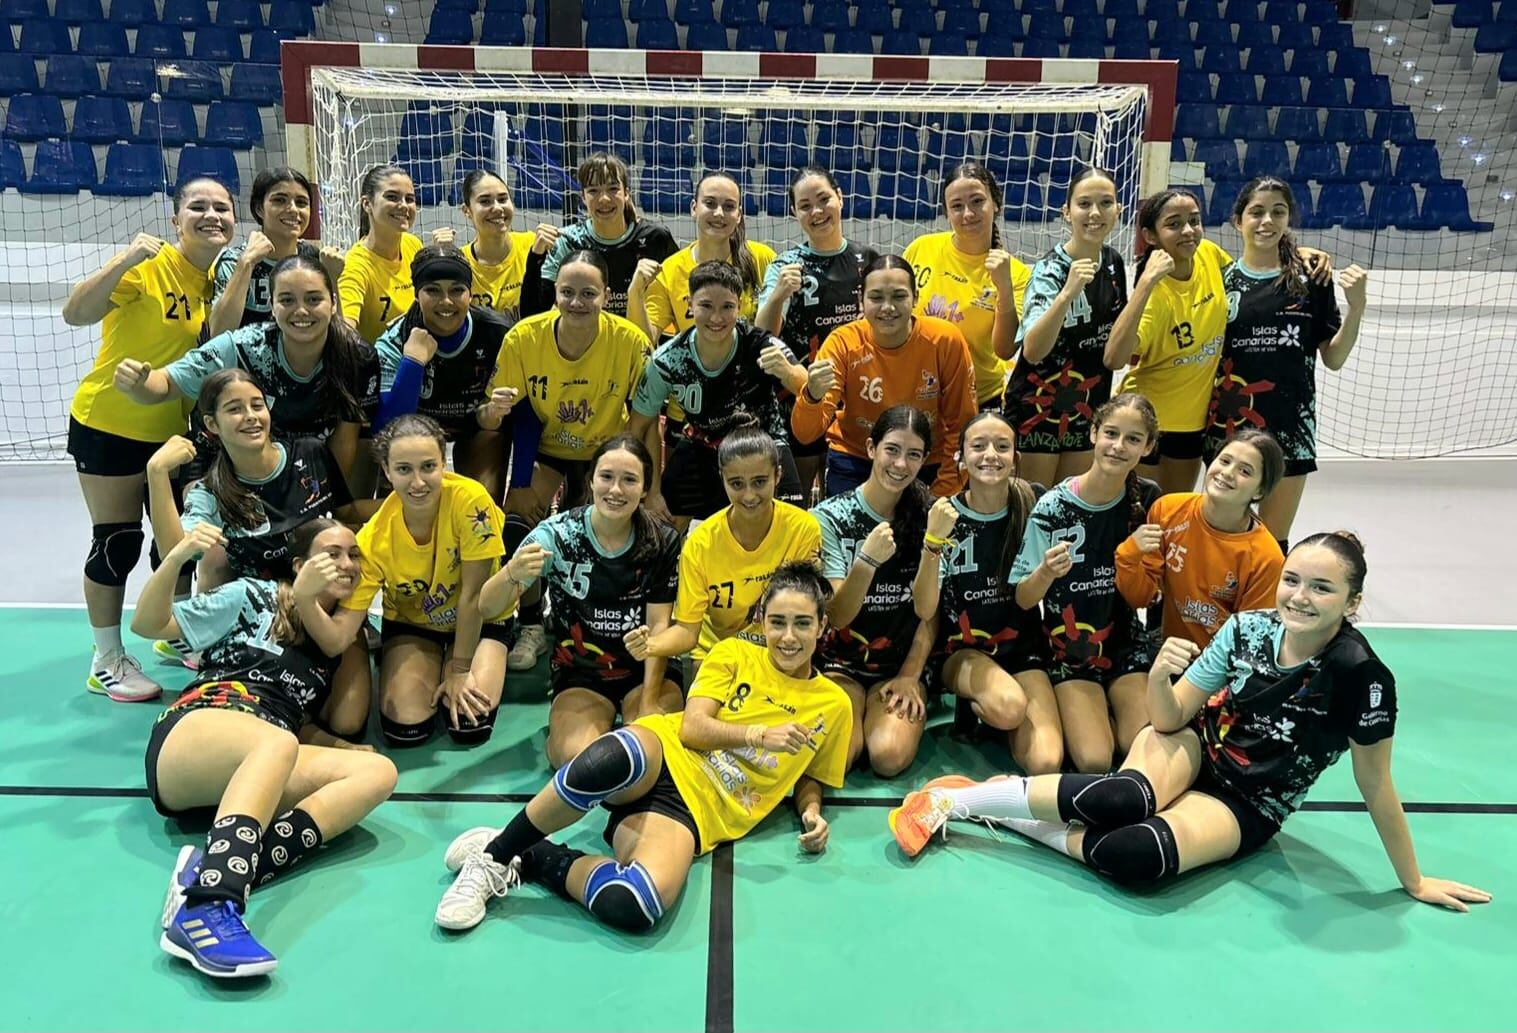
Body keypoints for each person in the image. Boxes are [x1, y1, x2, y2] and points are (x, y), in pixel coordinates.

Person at [889, 534, 1494, 918]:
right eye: (1292, 579)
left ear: (1352, 603)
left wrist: (1412, 881)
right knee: (1121, 796)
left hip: (1251, 800)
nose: (1300, 597)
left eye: (1322, 587)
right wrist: (1158, 675)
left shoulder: (1361, 676)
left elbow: (1376, 784)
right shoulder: (1247, 630)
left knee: (1133, 854)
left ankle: (1002, 811)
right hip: (1191, 743)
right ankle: (953, 802)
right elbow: (1169, 716)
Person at [432, 562, 852, 934]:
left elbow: (810, 773)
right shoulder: (734, 653)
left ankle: (534, 857)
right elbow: (692, 728)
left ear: (822, 624)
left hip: (697, 811)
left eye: (802, 623)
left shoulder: (834, 704)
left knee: (634, 903)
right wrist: (758, 735)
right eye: (777, 622)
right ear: (761, 621)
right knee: (611, 757)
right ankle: (494, 856)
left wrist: (810, 810)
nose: (788, 636)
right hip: (667, 753)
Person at [135, 518, 396, 979]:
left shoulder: (335, 639)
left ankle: (209, 875)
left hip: (263, 751)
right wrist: (177, 557)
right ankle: (211, 905)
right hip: (194, 731)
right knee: (276, 741)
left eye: (353, 554)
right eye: (331, 552)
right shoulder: (252, 595)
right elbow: (147, 623)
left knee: (378, 773)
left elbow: (298, 720)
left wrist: (342, 750)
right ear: (299, 565)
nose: (346, 562)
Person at [62, 175, 234, 702]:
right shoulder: (150, 266)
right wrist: (127, 256)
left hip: (172, 431)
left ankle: (171, 631)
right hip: (110, 424)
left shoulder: (215, 280)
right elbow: (75, 313)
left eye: (222, 207)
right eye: (198, 207)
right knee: (118, 543)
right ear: (175, 220)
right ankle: (107, 659)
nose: (211, 216)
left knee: (179, 541)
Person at [482, 249, 652, 673]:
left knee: (601, 533)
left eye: (588, 293)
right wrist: (493, 410)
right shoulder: (524, 338)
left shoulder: (630, 341)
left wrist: (648, 486)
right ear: (554, 293)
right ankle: (532, 623)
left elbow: (648, 422)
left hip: (605, 453)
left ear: (606, 295)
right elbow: (490, 416)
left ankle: (591, 621)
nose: (577, 302)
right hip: (546, 449)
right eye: (567, 292)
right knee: (519, 527)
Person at [1106, 189, 1332, 495]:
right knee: (1137, 519)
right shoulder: (1155, 296)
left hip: (1193, 426)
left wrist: (1295, 253)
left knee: (1174, 516)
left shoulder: (1209, 255)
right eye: (1174, 224)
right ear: (1150, 235)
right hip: (1146, 420)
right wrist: (1145, 283)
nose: (1188, 231)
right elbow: (1114, 359)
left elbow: (1251, 274)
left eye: (1194, 221)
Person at [478, 435, 684, 767]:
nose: (616, 490)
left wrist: (648, 703)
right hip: (582, 671)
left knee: (650, 752)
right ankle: (572, 728)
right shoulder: (558, 534)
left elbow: (660, 625)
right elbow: (486, 607)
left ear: (645, 488)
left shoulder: (662, 541)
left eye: (629, 480)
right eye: (607, 477)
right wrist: (512, 573)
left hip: (644, 668)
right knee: (572, 759)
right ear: (591, 480)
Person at [327, 415, 513, 748]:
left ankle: (468, 658)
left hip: (482, 616)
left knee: (470, 723)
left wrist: (460, 669)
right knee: (406, 730)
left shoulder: (472, 501)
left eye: (428, 466)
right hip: (415, 623)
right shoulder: (374, 538)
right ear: (386, 472)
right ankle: (415, 660)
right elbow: (342, 631)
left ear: (444, 463)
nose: (418, 482)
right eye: (403, 470)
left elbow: (473, 596)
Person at [1206, 177, 1367, 551]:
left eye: (1277, 212)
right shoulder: (1220, 281)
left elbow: (1335, 357)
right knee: (1223, 538)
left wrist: (1357, 307)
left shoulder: (1311, 278)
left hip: (1290, 432)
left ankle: (1263, 611)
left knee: (1270, 544)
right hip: (1228, 428)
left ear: (1288, 219)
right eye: (1256, 212)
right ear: (1238, 221)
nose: (1266, 221)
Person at [116, 252, 379, 479]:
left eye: (313, 299)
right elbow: (164, 385)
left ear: (333, 303)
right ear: (272, 307)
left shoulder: (356, 357)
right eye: (287, 300)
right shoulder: (242, 348)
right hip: (222, 465)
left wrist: (330, 503)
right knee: (204, 537)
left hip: (297, 472)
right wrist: (138, 384)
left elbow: (345, 439)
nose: (301, 310)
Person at [1010, 393, 1162, 773]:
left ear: (1148, 447)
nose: (1118, 446)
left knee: (1141, 747)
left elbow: (1147, 596)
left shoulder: (1149, 501)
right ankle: (1079, 715)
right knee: (1095, 759)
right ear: (1093, 433)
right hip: (1070, 652)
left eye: (1133, 438)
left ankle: (1112, 713)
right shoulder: (1052, 507)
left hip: (1125, 644)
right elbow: (1024, 599)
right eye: (1111, 433)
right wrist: (1045, 572)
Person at [911, 411, 1062, 774]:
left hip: (1021, 648)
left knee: (1046, 762)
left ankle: (996, 716)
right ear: (961, 457)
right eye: (978, 446)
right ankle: (975, 702)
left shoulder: (1031, 508)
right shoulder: (943, 513)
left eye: (1002, 446)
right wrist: (932, 544)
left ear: (1015, 458)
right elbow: (925, 607)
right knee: (1008, 707)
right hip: (961, 650)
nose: (990, 454)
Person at [625, 428, 821, 676]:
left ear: (778, 475)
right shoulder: (700, 543)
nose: (749, 495)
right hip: (715, 655)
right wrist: (651, 644)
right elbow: (687, 631)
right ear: (722, 478)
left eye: (759, 482)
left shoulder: (803, 529)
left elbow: (803, 615)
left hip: (782, 655)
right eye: (737, 484)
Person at [629, 260, 808, 526]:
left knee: (791, 527)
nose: (716, 318)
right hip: (703, 445)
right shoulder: (667, 361)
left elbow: (807, 388)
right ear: (689, 304)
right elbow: (639, 427)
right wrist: (652, 491)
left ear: (739, 306)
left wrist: (788, 372)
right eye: (706, 306)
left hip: (764, 442)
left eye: (727, 307)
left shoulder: (760, 345)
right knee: (663, 523)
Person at [812, 406, 938, 776]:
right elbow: (836, 615)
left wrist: (911, 676)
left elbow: (929, 614)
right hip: (840, 663)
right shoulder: (831, 517)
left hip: (899, 666)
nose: (901, 464)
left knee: (888, 757)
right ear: (871, 448)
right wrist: (866, 561)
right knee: (840, 757)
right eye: (892, 450)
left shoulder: (932, 516)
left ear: (924, 460)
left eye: (913, 454)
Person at [791, 255, 976, 498]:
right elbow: (805, 433)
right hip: (856, 457)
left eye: (899, 297)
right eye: (876, 298)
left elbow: (961, 425)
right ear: (861, 300)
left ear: (915, 298)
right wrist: (812, 396)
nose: (887, 307)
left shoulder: (945, 341)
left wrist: (941, 494)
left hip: (926, 460)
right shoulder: (843, 343)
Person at [755, 164, 879, 499]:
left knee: (841, 496)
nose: (817, 211)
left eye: (824, 199)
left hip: (857, 396)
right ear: (795, 212)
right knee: (796, 499)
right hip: (799, 395)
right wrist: (779, 294)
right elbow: (762, 334)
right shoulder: (785, 265)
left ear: (840, 198)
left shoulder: (867, 260)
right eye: (805, 205)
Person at [1002, 167, 1130, 489]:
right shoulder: (1049, 270)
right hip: (1037, 409)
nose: (1095, 213)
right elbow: (1032, 350)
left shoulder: (1114, 262)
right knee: (1031, 512)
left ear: (1118, 210)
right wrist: (1068, 293)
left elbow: (1116, 348)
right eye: (1084, 204)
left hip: (1086, 407)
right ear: (1067, 211)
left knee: (1071, 508)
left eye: (1105, 203)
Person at [1115, 427, 1286, 648]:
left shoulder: (1267, 558)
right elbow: (1140, 598)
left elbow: (1250, 644)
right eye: (1224, 461)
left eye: (1245, 471)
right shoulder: (1167, 510)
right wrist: (1128, 556)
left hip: (1222, 668)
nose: (1227, 473)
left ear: (1259, 492)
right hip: (1168, 652)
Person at [374, 243, 515, 497]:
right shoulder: (395, 340)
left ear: (470, 294)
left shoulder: (498, 334)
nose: (446, 301)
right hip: (415, 436)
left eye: (457, 290)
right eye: (433, 291)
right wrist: (413, 363)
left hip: (475, 431)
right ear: (417, 294)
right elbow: (386, 428)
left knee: (481, 504)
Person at [904, 161, 1030, 411]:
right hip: (913, 393)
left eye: (977, 201)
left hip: (980, 401)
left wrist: (1003, 287)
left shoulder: (1016, 273)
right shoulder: (921, 248)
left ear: (995, 203)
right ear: (947, 212)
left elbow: (1005, 350)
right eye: (957, 206)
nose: (968, 214)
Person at [626, 172, 776, 343]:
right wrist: (635, 291)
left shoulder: (763, 258)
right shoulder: (670, 271)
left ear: (739, 215)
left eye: (729, 206)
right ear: (694, 208)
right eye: (710, 204)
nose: (719, 213)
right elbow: (645, 341)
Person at [206, 166, 345, 337]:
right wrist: (247, 263)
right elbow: (218, 334)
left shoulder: (315, 260)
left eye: (301, 203)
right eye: (280, 200)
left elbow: (341, 338)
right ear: (259, 209)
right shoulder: (235, 261)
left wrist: (331, 277)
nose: (293, 209)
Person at [538, 152, 678, 319]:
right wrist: (535, 256)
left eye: (613, 189)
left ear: (626, 193)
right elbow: (538, 311)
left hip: (643, 339)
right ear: (583, 197)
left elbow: (679, 297)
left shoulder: (655, 237)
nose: (604, 198)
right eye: (593, 191)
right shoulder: (567, 242)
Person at [434, 168, 557, 323]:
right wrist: (438, 258)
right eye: (485, 201)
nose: (498, 208)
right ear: (467, 211)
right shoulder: (459, 262)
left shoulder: (534, 247)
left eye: (503, 199)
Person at [338, 164, 423, 343]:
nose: (403, 206)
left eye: (409, 199)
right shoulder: (355, 265)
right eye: (392, 197)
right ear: (367, 204)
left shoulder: (413, 245)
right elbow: (343, 334)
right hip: (378, 366)